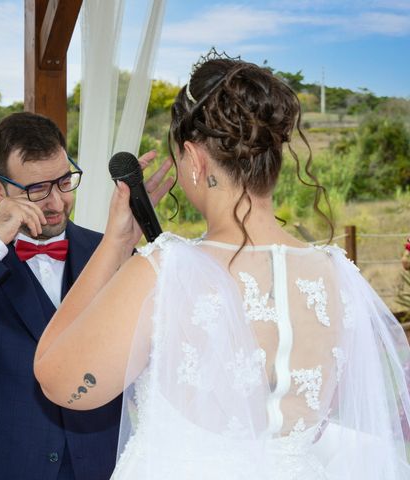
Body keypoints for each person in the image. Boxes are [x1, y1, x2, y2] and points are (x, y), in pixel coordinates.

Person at [34, 54, 410, 479]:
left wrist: (116, 243)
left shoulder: (164, 271)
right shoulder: (337, 274)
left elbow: (57, 379)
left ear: (194, 159)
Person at [0, 112, 171, 480]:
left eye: (63, 182)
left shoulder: (113, 253)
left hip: (97, 465)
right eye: (37, 190)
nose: (57, 203)